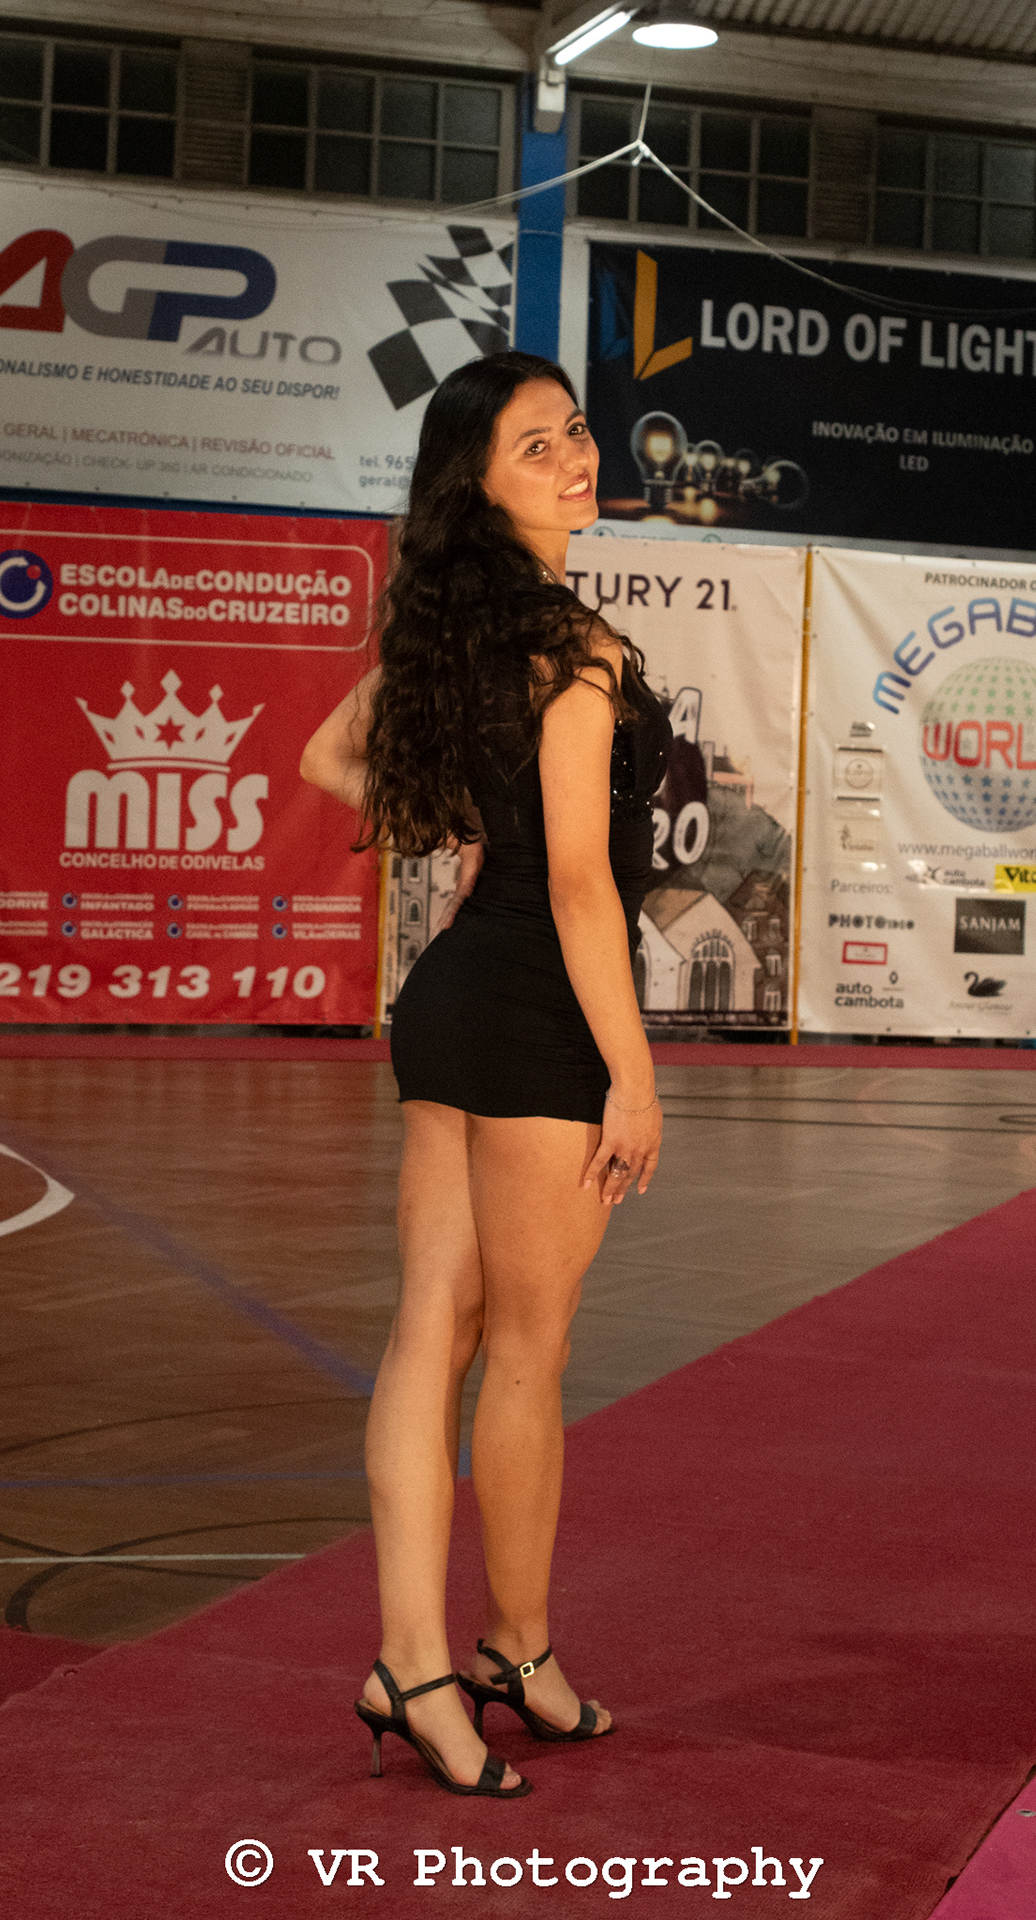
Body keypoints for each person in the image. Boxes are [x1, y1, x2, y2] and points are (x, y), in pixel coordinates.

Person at [300, 351, 669, 1798]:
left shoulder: (457, 628)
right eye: (537, 447)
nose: (576, 458)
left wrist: (466, 826)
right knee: (523, 1351)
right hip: (537, 1018)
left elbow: (328, 758)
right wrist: (632, 1075)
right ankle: (512, 1648)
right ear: (480, 481)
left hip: (450, 1006)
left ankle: (415, 1663)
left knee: (431, 1334)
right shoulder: (571, 644)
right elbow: (580, 884)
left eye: (574, 432)